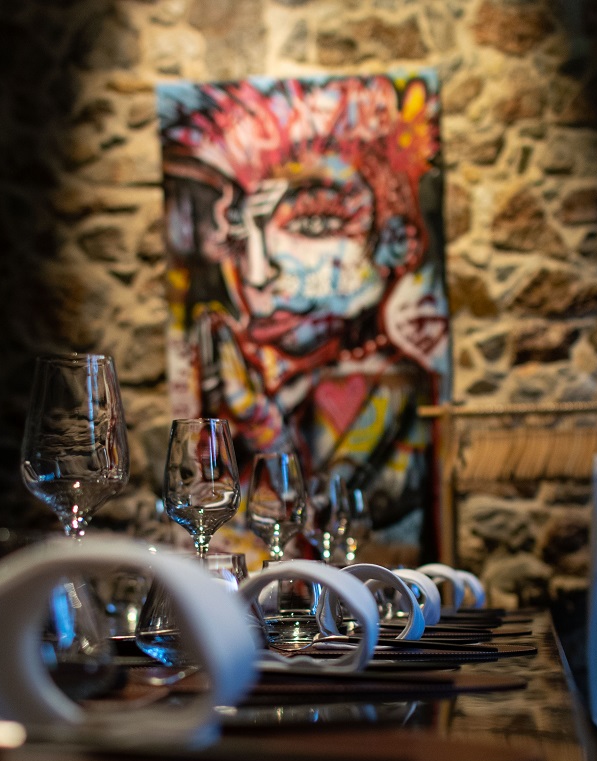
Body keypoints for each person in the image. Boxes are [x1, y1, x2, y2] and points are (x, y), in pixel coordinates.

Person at [159, 72, 451, 547]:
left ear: (392, 240)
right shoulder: (254, 370)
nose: (257, 275)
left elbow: (319, 524)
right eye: (244, 235)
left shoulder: (391, 390)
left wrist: (261, 423)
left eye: (314, 223)